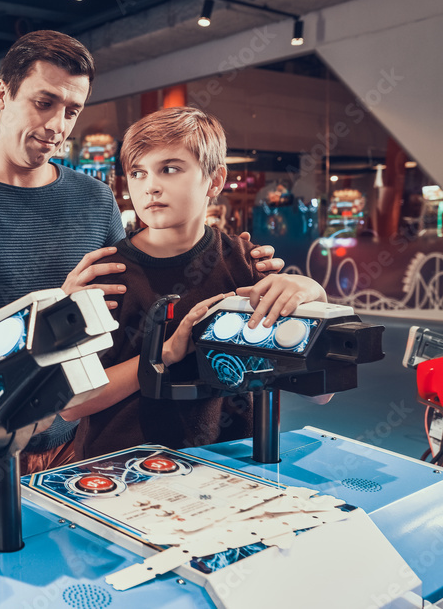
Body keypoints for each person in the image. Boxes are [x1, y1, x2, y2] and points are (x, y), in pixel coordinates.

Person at [0, 31, 285, 533]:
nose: (57, 125)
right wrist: (52, 314)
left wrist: (274, 276)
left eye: (72, 110)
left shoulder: (94, 198)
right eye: (44, 102)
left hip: (72, 444)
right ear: (2, 95)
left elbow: (125, 309)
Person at [63, 107, 328, 459]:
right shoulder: (105, 274)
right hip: (123, 469)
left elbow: (321, 392)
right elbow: (70, 403)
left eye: (169, 169)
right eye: (137, 173)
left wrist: (314, 297)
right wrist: (165, 353)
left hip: (234, 463)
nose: (151, 186)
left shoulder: (246, 262)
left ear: (215, 181)